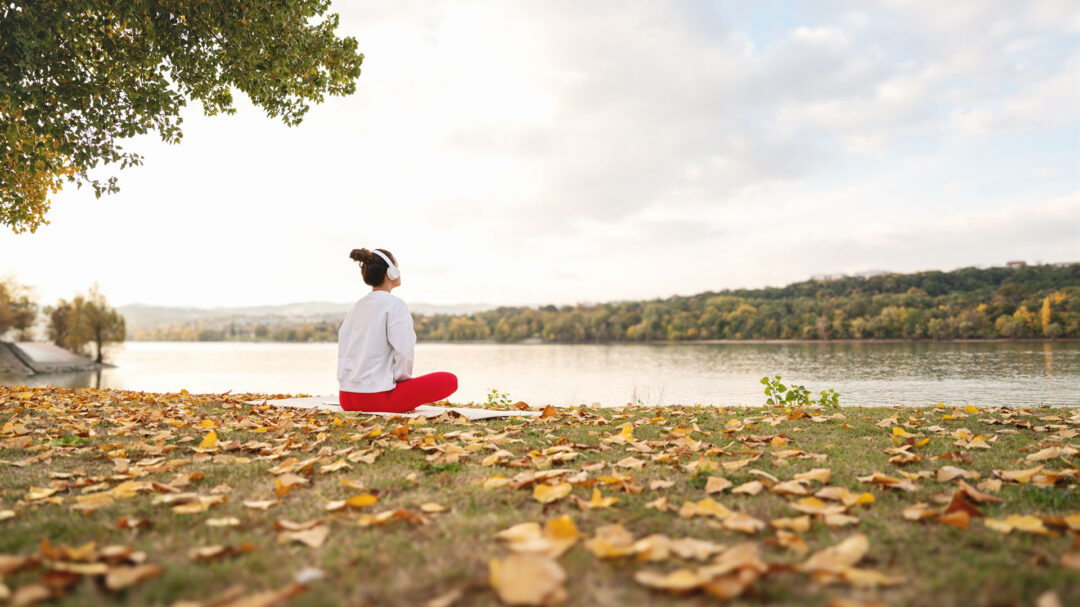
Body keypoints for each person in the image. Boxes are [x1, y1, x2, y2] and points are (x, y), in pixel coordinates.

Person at [337, 248, 458, 413]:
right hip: (376, 400)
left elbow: (345, 348)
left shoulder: (356, 306)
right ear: (391, 272)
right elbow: (404, 350)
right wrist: (401, 382)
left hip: (346, 397)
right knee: (450, 380)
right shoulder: (395, 305)